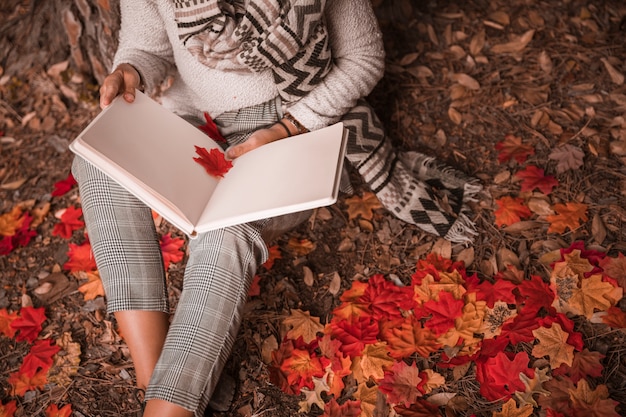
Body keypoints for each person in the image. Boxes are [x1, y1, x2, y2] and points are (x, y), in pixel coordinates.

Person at [72, 1, 481, 416]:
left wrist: (289, 127)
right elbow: (147, 48)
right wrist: (131, 72)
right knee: (96, 161)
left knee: (227, 230)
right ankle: (154, 372)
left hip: (293, 124)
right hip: (195, 124)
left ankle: (168, 407)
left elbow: (364, 58)